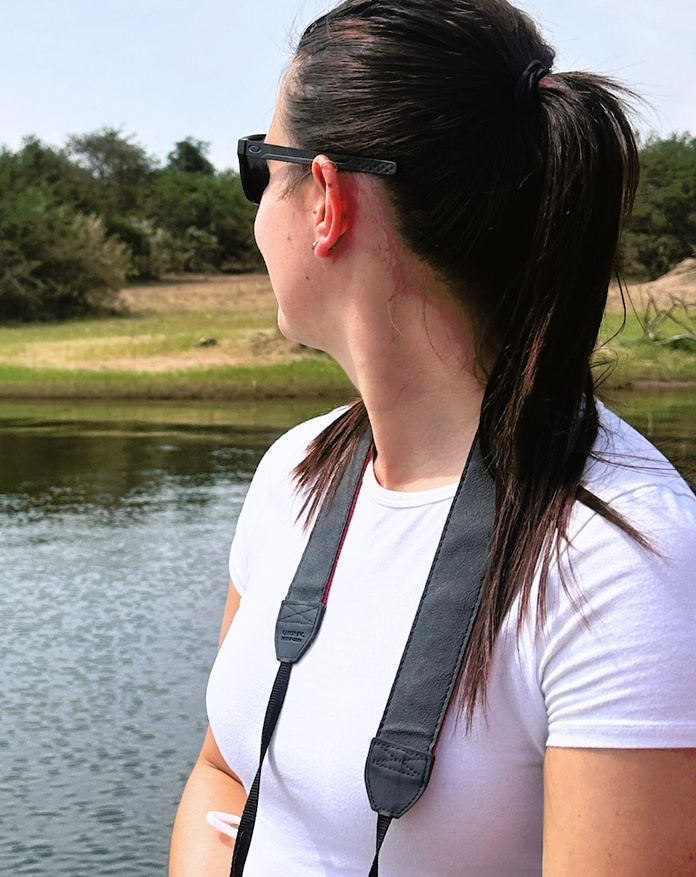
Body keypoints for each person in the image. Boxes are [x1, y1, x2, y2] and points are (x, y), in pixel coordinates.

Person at [168, 1, 696, 875]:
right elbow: (226, 773)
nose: (258, 208)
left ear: (327, 199)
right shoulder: (294, 474)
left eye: (261, 166)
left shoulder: (622, 561)